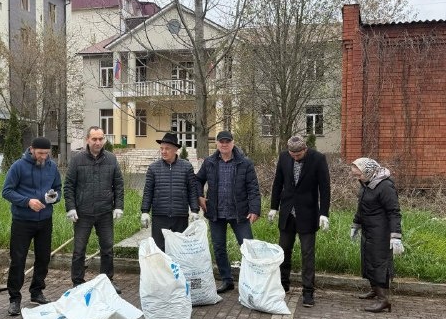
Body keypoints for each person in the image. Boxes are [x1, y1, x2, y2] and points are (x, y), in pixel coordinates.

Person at [2, 137, 62, 316]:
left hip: (45, 220)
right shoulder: (18, 166)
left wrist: (54, 197)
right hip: (22, 221)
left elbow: (58, 188)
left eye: (46, 153)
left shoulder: (52, 167)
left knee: (43, 258)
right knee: (18, 260)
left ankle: (37, 292)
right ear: (31, 149)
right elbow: (7, 191)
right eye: (40, 153)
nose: (43, 157)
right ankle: (14, 299)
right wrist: (27, 202)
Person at [268, 135, 330, 308]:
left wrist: (324, 213)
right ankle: (283, 285)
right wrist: (274, 207)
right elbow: (277, 183)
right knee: (283, 251)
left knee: (307, 254)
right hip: (287, 212)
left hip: (308, 213)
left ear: (305, 149)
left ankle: (308, 292)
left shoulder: (318, 159)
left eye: (298, 154)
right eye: (292, 154)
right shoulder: (283, 157)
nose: (295, 157)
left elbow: (325, 187)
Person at [195, 130, 261, 294]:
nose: (224, 144)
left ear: (233, 143)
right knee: (218, 247)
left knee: (247, 247)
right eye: (221, 142)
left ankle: (251, 281)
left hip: (240, 213)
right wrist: (199, 196)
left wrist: (254, 209)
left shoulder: (245, 163)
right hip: (216, 212)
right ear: (216, 143)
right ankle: (227, 280)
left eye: (227, 141)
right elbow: (197, 180)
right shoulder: (209, 162)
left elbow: (253, 188)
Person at [64, 126, 124, 293]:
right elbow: (69, 185)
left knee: (107, 248)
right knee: (79, 250)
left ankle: (107, 281)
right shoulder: (77, 159)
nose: (98, 142)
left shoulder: (111, 159)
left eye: (100, 139)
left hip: (105, 212)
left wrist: (118, 206)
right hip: (83, 214)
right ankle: (77, 283)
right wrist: (71, 208)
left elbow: (118, 184)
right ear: (87, 140)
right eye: (94, 139)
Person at [350, 157, 403, 314]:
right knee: (368, 260)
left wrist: (395, 236)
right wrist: (356, 224)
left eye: (359, 174)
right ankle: (374, 290)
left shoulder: (385, 186)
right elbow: (362, 207)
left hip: (381, 232)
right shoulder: (366, 184)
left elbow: (394, 212)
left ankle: (383, 300)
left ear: (368, 171)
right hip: (368, 229)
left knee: (379, 263)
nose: (357, 178)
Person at [140, 131, 200, 251]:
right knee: (160, 250)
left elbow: (192, 190)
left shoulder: (186, 167)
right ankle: (161, 271)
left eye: (167, 148)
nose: (163, 151)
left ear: (175, 150)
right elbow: (148, 191)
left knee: (179, 250)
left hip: (180, 216)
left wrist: (194, 210)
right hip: (160, 216)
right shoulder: (153, 168)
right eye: (161, 148)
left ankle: (176, 271)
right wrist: (145, 211)